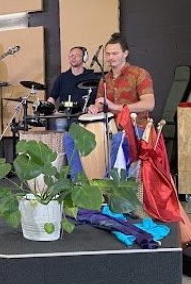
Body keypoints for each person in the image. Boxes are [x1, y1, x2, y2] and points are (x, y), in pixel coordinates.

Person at [66, 32, 155, 177]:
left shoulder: (140, 74)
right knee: (70, 137)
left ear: (125, 54)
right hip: (109, 126)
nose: (110, 57)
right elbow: (100, 103)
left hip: (136, 127)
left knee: (119, 139)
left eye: (115, 53)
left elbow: (149, 104)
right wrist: (95, 107)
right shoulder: (105, 79)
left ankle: (109, 184)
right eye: (108, 54)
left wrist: (116, 107)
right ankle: (79, 183)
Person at [46, 46, 97, 130]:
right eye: (71, 55)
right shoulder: (62, 77)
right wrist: (47, 108)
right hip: (64, 116)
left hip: (84, 116)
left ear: (84, 58)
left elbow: (97, 99)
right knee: (60, 123)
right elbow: (52, 98)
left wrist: (93, 106)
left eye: (77, 55)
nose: (73, 57)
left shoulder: (91, 77)